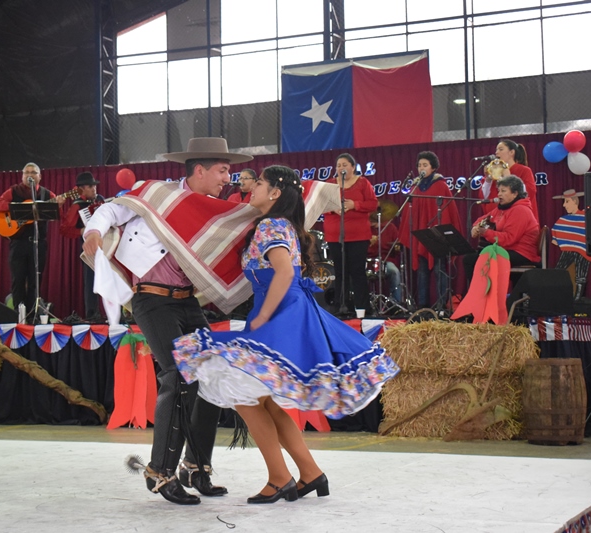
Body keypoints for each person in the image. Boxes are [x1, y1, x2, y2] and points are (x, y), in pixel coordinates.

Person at [172, 165, 399, 503]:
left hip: (280, 315)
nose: (251, 186)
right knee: (264, 402)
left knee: (245, 396)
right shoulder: (278, 224)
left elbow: (282, 273)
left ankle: (280, 478)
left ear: (276, 193)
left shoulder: (270, 225)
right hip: (285, 312)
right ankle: (310, 473)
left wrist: (263, 316)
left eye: (259, 183)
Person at [82, 137, 254, 505]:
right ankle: (159, 472)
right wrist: (93, 232)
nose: (228, 177)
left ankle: (195, 467)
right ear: (199, 170)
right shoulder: (156, 194)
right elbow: (111, 210)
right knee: (176, 377)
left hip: (186, 301)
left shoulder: (215, 212)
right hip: (151, 299)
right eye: (223, 170)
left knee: (213, 374)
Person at [0, 162, 66, 322]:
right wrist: (16, 207)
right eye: (27, 173)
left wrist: (59, 205)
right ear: (22, 176)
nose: (30, 175)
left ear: (40, 176)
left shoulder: (47, 195)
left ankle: (32, 317)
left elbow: (55, 215)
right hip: (18, 244)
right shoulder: (14, 191)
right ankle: (19, 317)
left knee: (35, 281)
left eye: (33, 172)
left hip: (39, 244)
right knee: (18, 280)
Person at [398, 151, 462, 309]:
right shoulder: (415, 186)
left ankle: (441, 305)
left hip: (436, 236)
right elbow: (409, 212)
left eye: (425, 165)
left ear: (433, 167)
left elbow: (448, 211)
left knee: (440, 270)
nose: (421, 168)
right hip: (421, 237)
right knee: (421, 271)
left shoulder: (440, 185)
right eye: (419, 165)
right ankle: (422, 306)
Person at [323, 153, 377, 314]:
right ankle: (341, 306)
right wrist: (333, 208)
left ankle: (362, 308)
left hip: (358, 236)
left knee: (357, 272)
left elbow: (373, 204)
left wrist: (355, 204)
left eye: (345, 165)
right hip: (335, 236)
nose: (341, 168)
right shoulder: (330, 185)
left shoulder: (362, 183)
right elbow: (321, 204)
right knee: (340, 272)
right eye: (338, 165)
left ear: (353, 167)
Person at [463, 176, 539, 286]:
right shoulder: (502, 208)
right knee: (472, 258)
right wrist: (476, 227)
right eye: (499, 191)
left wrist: (485, 232)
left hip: (521, 253)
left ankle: (481, 295)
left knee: (474, 259)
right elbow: (482, 219)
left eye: (503, 191)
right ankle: (480, 295)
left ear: (515, 194)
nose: (498, 194)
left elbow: (509, 239)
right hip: (507, 249)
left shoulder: (520, 210)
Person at [60, 172, 106, 322]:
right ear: (81, 189)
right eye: (90, 186)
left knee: (108, 278)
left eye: (94, 186)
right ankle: (92, 314)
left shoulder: (100, 200)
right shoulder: (78, 206)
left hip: (106, 245)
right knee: (91, 280)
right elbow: (65, 229)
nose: (94, 189)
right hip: (88, 247)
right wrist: (82, 230)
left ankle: (112, 313)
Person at [480, 139, 539, 224]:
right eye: (496, 150)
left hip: (518, 219)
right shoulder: (494, 171)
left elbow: (529, 192)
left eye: (501, 149)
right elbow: (484, 197)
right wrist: (488, 179)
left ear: (512, 152)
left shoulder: (524, 170)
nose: (496, 152)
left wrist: (509, 177)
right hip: (496, 220)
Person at [551, 189, 591, 300]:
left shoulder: (587, 218)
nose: (564, 205)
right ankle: (555, 298)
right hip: (568, 251)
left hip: (583, 254)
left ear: (575, 201)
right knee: (558, 272)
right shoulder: (562, 220)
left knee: (580, 274)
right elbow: (555, 241)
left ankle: (577, 302)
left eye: (567, 201)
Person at [368, 212, 403, 303]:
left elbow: (398, 245)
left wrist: (397, 247)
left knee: (394, 271)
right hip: (369, 261)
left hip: (386, 260)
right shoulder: (365, 228)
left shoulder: (390, 227)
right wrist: (369, 242)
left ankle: (396, 303)